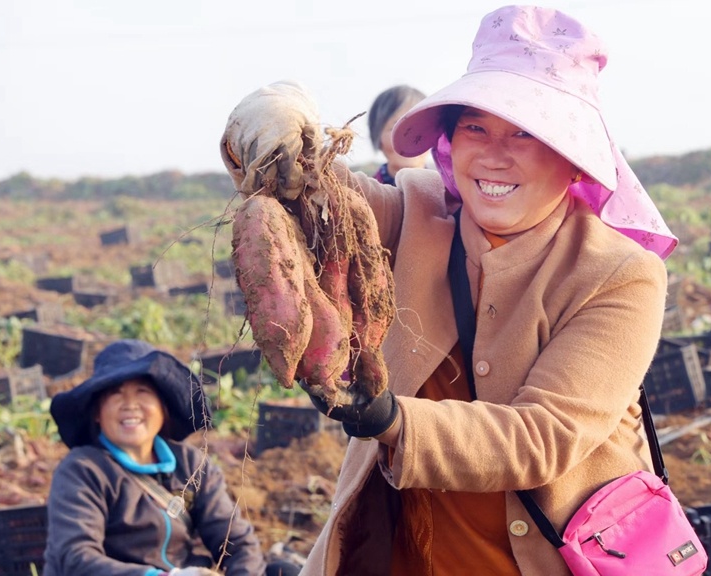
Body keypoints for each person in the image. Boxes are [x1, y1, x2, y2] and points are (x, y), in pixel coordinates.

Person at [219, 5, 682, 575]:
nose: (494, 153)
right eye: (475, 128)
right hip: (405, 553)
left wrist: (392, 420)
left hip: (541, 559)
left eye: (526, 134)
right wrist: (276, 114)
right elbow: (309, 190)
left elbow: (544, 437)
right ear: (451, 142)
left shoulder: (618, 275)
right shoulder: (413, 210)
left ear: (575, 161)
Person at [43, 339, 277, 576]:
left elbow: (236, 541)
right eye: (116, 394)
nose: (130, 405)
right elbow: (76, 558)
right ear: (97, 413)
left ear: (163, 408)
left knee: (283, 569)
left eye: (142, 392)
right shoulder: (83, 470)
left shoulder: (190, 465)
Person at [367, 85, 429, 185]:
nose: (410, 138)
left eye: (419, 126)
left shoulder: (451, 195)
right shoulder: (361, 195)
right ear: (377, 135)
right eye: (396, 127)